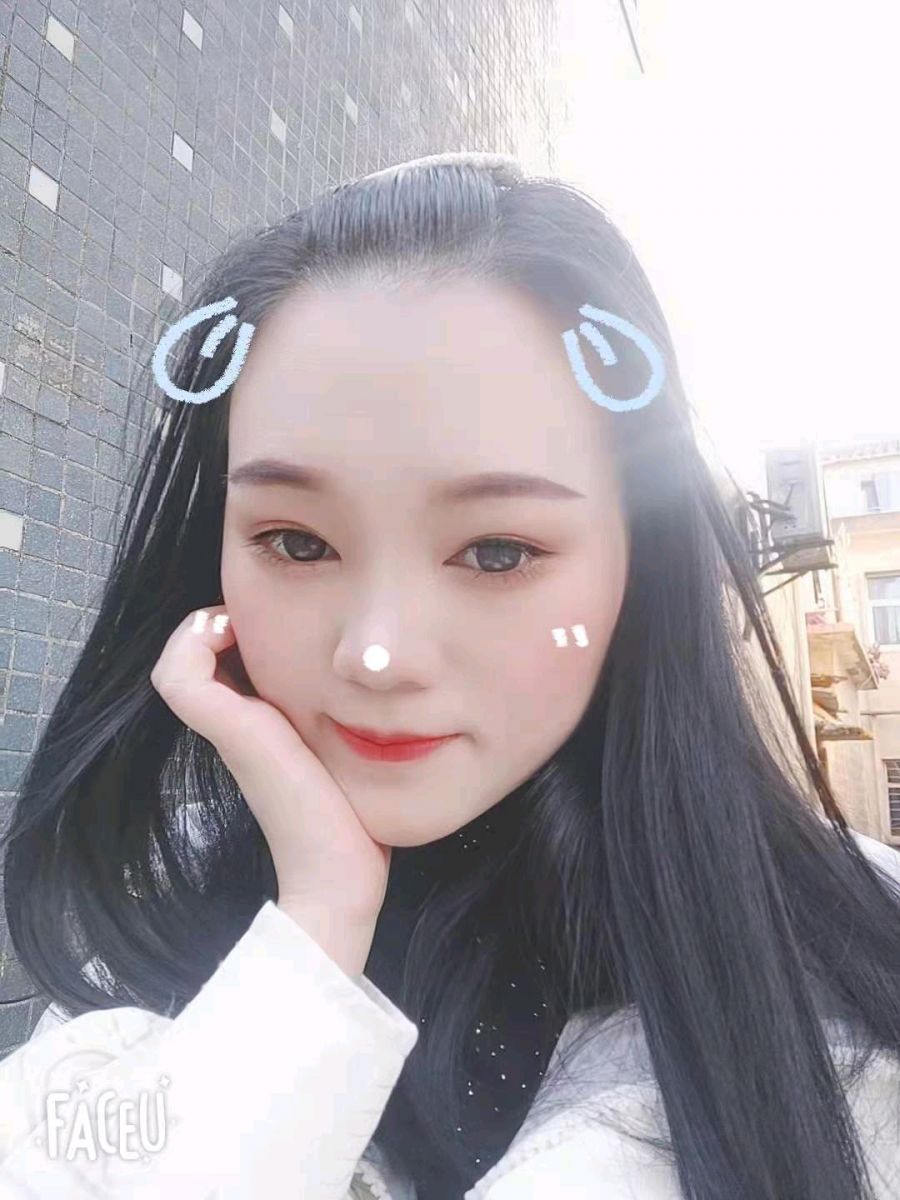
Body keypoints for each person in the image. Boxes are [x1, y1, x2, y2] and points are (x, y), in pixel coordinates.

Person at [2, 151, 900, 1200]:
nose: (377, 655)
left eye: (497, 552)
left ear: (639, 564)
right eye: (297, 542)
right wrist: (311, 933)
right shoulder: (154, 912)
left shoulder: (856, 972)